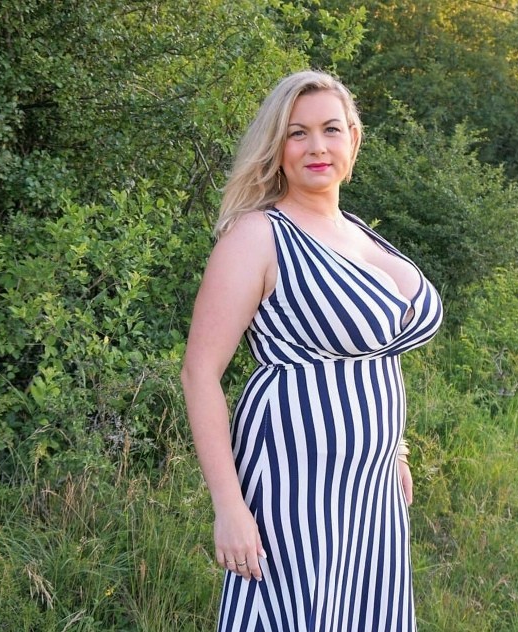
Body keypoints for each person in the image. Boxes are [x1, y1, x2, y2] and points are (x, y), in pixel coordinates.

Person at [181, 70, 443, 632]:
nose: (317, 146)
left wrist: (395, 447)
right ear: (277, 148)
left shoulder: (360, 232)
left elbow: (378, 350)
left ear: (354, 137)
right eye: (297, 133)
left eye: (330, 129)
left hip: (371, 486)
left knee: (364, 613)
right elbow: (199, 373)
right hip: (292, 477)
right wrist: (229, 506)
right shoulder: (258, 235)